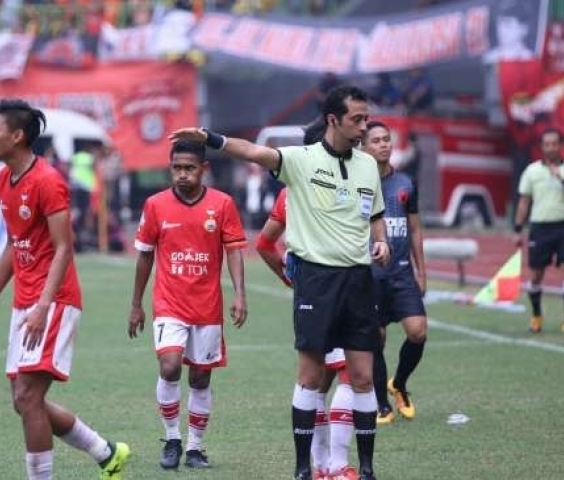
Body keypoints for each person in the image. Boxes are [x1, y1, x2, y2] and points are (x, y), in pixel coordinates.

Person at [169, 85, 391, 480]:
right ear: (332, 120)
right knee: (310, 376)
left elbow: (374, 213)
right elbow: (253, 152)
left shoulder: (367, 166)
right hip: (317, 280)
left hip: (358, 281)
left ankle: (367, 469)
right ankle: (303, 468)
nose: (364, 127)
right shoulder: (300, 160)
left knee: (360, 375)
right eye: (356, 119)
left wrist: (381, 242)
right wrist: (210, 137)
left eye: (365, 118)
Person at [0, 99, 130, 480]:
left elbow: (64, 247)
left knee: (28, 398)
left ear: (17, 135)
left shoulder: (47, 180)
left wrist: (43, 305)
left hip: (54, 300)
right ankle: (105, 452)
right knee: (24, 402)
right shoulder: (3, 180)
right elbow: (15, 244)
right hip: (26, 301)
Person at [127, 139, 248, 470]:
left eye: (189, 168)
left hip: (207, 305)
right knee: (169, 366)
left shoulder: (222, 204)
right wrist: (136, 304)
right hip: (169, 302)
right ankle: (172, 439)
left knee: (200, 378)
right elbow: (144, 256)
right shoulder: (155, 205)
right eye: (177, 168)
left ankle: (195, 447)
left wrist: (240, 293)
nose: (182, 174)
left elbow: (234, 250)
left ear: (203, 169)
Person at [256, 119, 358, 480]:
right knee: (331, 375)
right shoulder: (303, 188)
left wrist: (292, 280)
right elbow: (264, 243)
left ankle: (322, 466)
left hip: (340, 291)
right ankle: (333, 464)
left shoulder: (351, 179)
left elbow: (265, 244)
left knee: (328, 377)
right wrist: (293, 278)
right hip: (325, 292)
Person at [362, 121, 428, 425]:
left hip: (402, 273)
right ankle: (381, 404)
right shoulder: (357, 184)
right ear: (363, 147)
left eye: (387, 139)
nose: (383, 145)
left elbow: (414, 228)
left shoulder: (406, 183)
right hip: (370, 276)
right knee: (376, 340)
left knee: (418, 332)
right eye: (375, 140)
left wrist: (421, 271)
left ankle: (399, 383)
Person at [513, 128, 564, 334]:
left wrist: (562, 179)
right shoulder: (532, 171)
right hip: (540, 228)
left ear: (561, 146)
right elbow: (524, 202)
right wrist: (517, 229)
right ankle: (536, 315)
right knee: (535, 275)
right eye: (547, 144)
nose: (551, 148)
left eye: (554, 144)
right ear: (542, 147)